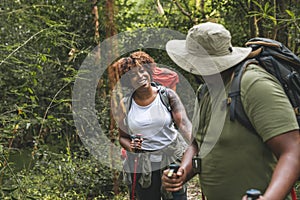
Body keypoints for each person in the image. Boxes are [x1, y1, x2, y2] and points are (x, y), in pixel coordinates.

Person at [161, 22, 300, 200]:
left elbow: (293, 149)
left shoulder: (253, 84)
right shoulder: (205, 91)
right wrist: (183, 171)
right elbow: (198, 144)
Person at [113, 51, 192, 200]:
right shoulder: (125, 104)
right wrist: (131, 146)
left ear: (148, 71)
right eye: (133, 75)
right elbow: (122, 137)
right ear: (128, 81)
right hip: (143, 164)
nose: (140, 76)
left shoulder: (167, 95)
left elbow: (183, 123)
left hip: (172, 158)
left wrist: (196, 145)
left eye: (142, 71)